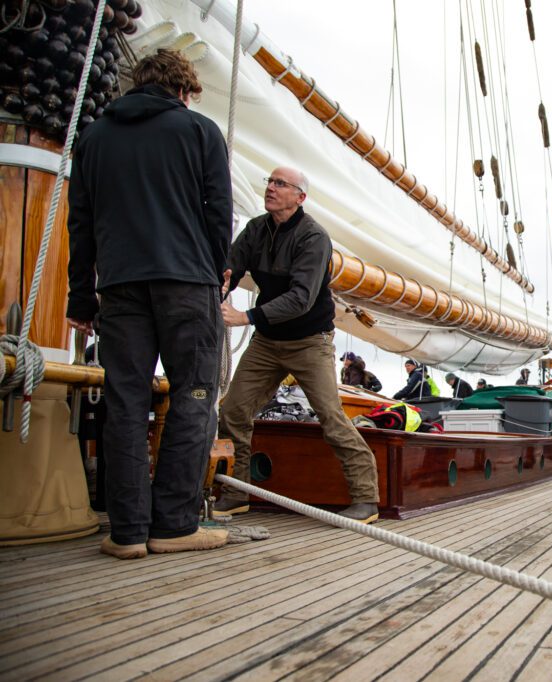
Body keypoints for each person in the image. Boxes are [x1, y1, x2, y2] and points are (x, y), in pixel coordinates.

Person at [65, 49, 231, 559]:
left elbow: (82, 224)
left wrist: (80, 296)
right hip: (186, 282)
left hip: (118, 286)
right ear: (185, 90)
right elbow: (217, 211)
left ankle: (127, 532)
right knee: (194, 397)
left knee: (125, 403)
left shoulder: (92, 138)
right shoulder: (200, 132)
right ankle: (175, 525)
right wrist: (216, 268)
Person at [217, 166, 380, 523]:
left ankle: (366, 499)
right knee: (233, 412)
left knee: (331, 418)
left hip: (309, 342)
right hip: (268, 342)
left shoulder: (313, 238)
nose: (271, 188)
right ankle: (235, 491)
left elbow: (301, 298)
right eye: (270, 182)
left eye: (280, 184)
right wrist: (222, 283)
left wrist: (246, 317)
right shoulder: (256, 230)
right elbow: (229, 266)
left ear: (300, 197)